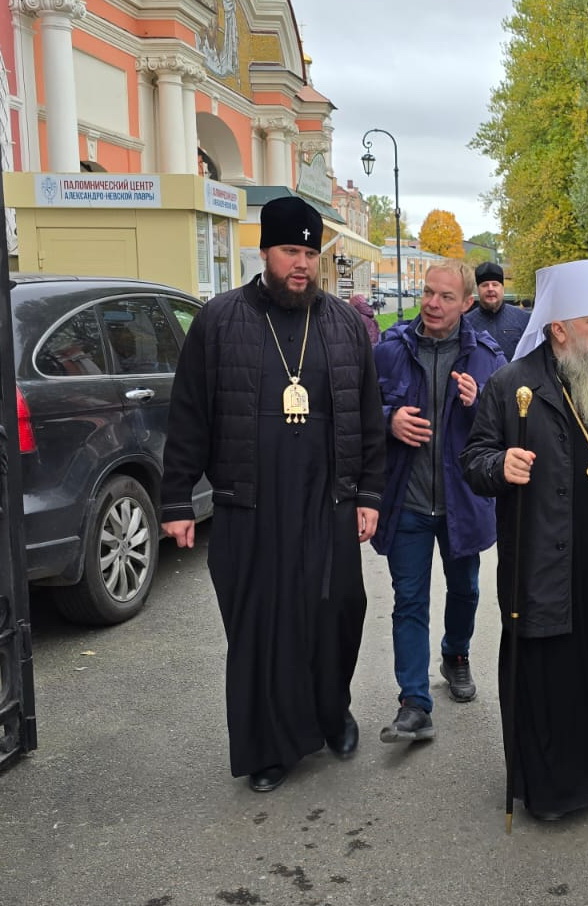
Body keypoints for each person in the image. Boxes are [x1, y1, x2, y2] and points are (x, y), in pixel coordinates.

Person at [160, 195, 387, 793]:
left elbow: (367, 416)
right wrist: (177, 500)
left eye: (311, 253)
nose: (302, 265)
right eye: (291, 251)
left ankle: (331, 714)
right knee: (262, 627)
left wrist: (369, 494)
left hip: (327, 502)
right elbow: (189, 416)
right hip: (250, 505)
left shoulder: (341, 325)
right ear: (265, 251)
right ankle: (267, 748)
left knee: (336, 614)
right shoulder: (221, 321)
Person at [460, 258, 588, 822]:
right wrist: (499, 464)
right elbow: (474, 461)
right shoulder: (511, 386)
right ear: (559, 329)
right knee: (559, 671)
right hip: (546, 561)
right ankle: (562, 783)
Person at [372, 259, 507, 744]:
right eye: (428, 292)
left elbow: (510, 428)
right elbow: (363, 410)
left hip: (462, 503)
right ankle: (413, 703)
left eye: (446, 296)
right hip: (407, 501)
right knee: (408, 600)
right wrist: (389, 419)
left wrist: (481, 404)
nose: (432, 303)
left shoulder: (487, 359)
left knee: (466, 591)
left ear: (467, 303)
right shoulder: (389, 349)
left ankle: (456, 653)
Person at [464, 261, 530, 360]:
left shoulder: (523, 319)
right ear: (477, 289)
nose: (490, 289)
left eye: (495, 284)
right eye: (485, 285)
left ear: (502, 288)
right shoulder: (466, 323)